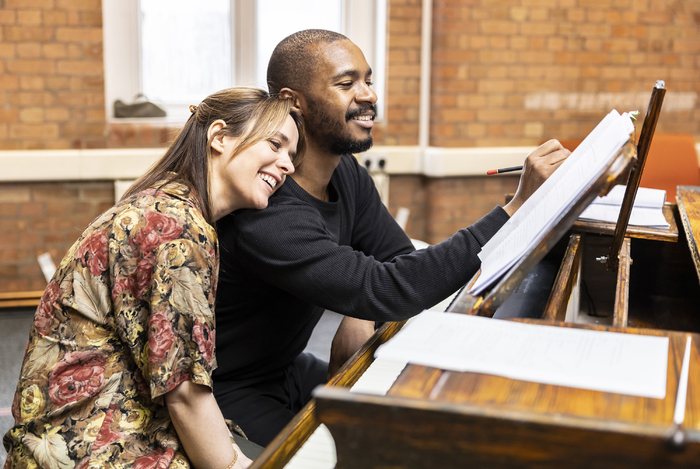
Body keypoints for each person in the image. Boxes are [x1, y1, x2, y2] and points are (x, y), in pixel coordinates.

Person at [213, 29, 571, 446]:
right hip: (232, 390)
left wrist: (359, 310)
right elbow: (384, 286)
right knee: (353, 450)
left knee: (407, 419)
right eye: (347, 84)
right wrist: (513, 210)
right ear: (295, 103)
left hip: (285, 369)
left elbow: (395, 257)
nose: (368, 95)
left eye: (368, 80)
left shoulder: (345, 173)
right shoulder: (266, 209)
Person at [3, 87, 304, 469]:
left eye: (291, 156)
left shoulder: (168, 203)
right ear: (219, 137)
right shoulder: (178, 229)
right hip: (88, 447)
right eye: (276, 144)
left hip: (85, 428)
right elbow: (184, 394)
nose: (288, 165)